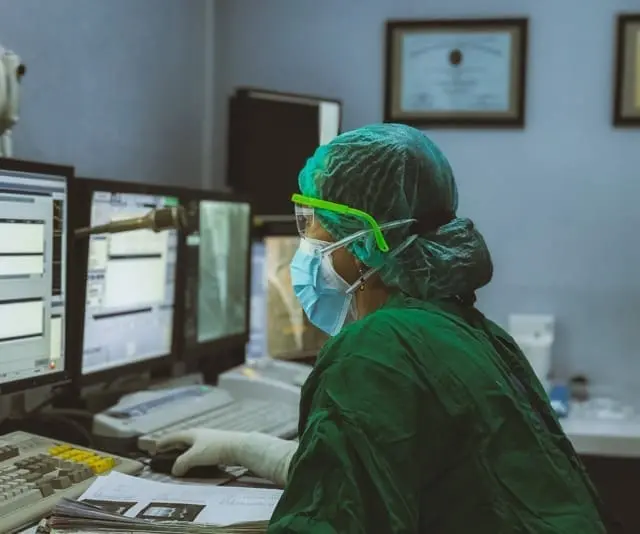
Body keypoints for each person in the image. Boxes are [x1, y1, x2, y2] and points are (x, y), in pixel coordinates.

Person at [157, 124, 620, 533]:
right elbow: (381, 472)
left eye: (312, 221)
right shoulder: (470, 330)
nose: (306, 240)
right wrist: (244, 447)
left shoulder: (377, 349)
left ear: (360, 242)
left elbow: (336, 515)